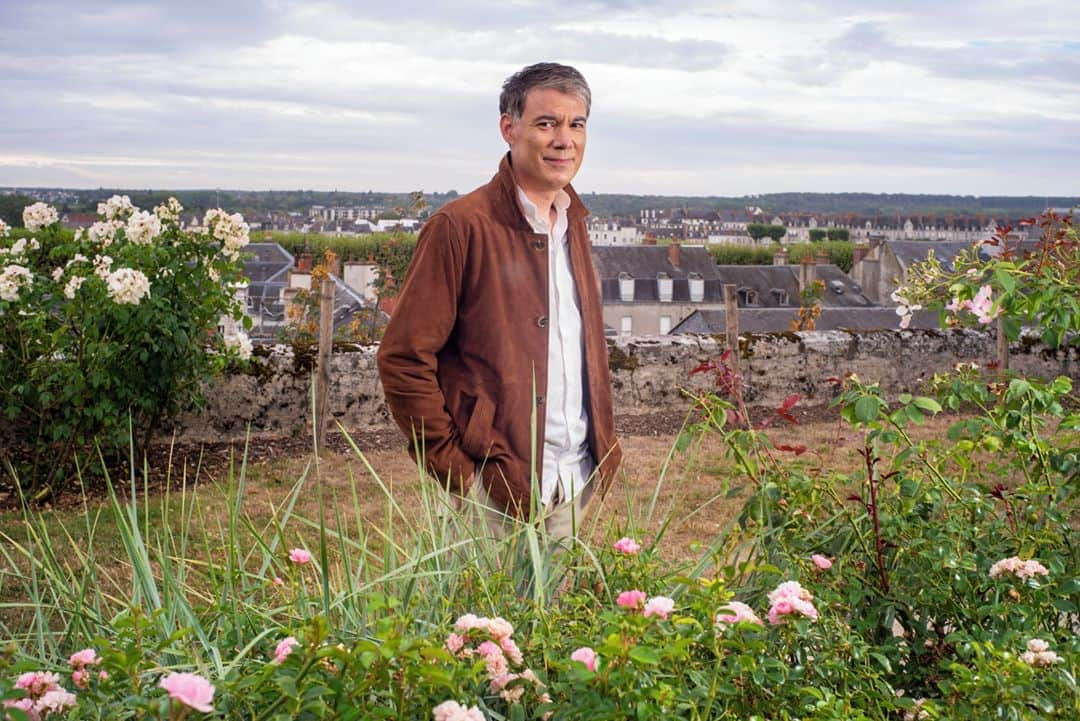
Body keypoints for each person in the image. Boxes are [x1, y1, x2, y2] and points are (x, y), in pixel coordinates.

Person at [376, 62, 621, 542]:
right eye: (546, 123)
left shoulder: (574, 224)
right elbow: (403, 357)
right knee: (481, 618)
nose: (564, 140)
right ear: (509, 128)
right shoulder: (459, 227)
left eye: (577, 124)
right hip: (491, 492)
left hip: (573, 483)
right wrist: (457, 473)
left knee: (560, 620)